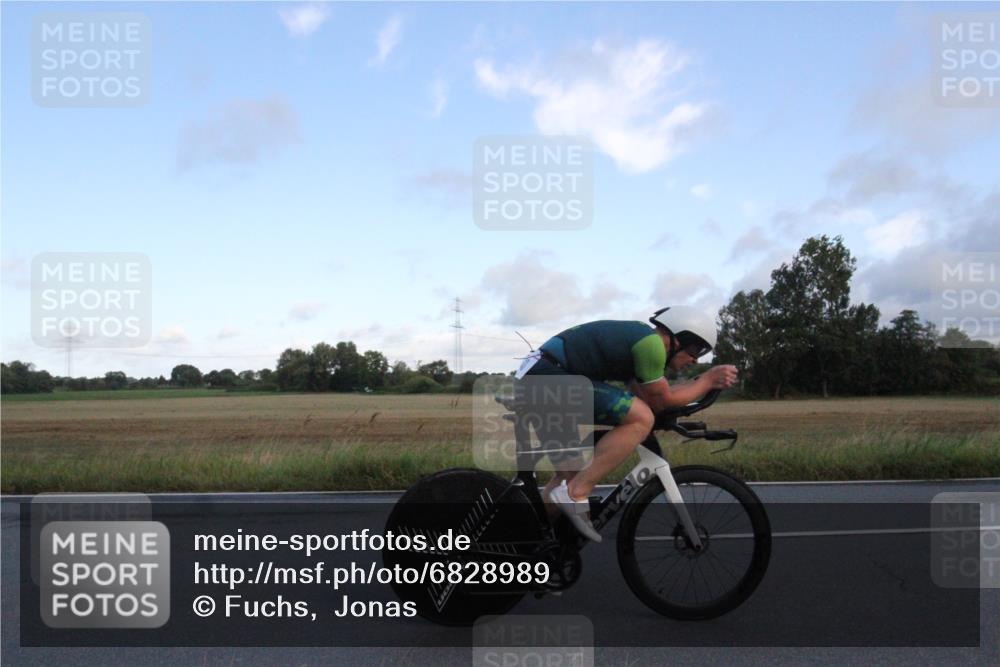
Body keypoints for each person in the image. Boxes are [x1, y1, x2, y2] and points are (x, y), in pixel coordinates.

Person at [517, 306, 738, 542]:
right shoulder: (651, 345)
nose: (695, 359)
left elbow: (651, 399)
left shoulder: (639, 344)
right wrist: (707, 380)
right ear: (678, 338)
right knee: (641, 418)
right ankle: (577, 492)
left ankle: (531, 544)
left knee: (567, 476)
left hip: (537, 376)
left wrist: (697, 384)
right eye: (695, 350)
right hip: (549, 376)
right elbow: (661, 401)